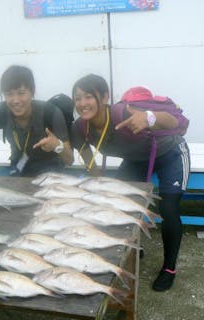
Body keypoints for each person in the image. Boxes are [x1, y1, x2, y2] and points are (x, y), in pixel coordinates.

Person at [70, 74, 190, 292]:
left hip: (170, 153)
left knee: (168, 208)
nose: (82, 103)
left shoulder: (122, 113)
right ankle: (132, 246)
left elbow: (173, 122)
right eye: (77, 98)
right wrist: (101, 186)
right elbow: (90, 164)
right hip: (136, 160)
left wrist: (150, 118)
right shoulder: (80, 128)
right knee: (117, 202)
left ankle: (169, 268)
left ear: (105, 97)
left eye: (89, 97)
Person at [0, 65, 73, 176]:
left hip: (51, 169)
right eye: (9, 94)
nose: (16, 100)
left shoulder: (51, 112)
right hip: (19, 166)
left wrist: (58, 145)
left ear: (32, 92)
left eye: (21, 93)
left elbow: (70, 160)